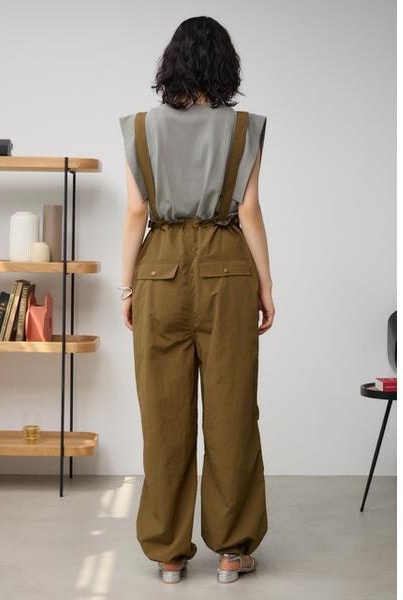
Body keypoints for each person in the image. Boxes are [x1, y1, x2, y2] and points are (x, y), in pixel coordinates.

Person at [118, 15, 275, 584]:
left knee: (163, 413)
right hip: (226, 267)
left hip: (158, 269)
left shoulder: (140, 128)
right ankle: (232, 550)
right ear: (226, 65)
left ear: (172, 64)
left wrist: (128, 286)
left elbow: (137, 212)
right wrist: (265, 283)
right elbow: (248, 211)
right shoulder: (244, 128)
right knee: (233, 410)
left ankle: (168, 552)